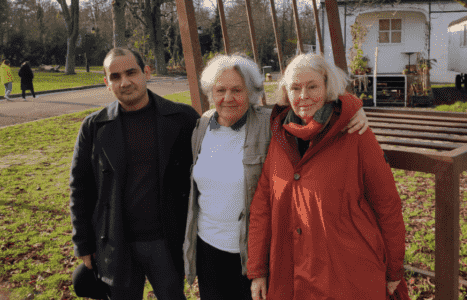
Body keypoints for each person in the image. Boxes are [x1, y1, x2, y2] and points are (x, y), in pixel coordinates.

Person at [182, 53, 370, 300]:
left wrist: (354, 109)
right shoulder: (203, 126)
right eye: (220, 90)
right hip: (208, 247)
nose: (227, 98)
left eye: (237, 90)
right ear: (211, 93)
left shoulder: (270, 123)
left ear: (251, 92)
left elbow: (309, 105)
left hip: (252, 251)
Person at [246, 53, 409, 300]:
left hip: (347, 276)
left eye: (312, 86)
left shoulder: (355, 133)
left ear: (327, 87)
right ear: (285, 93)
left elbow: (387, 204)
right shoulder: (280, 137)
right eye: (295, 88)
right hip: (290, 275)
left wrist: (394, 268)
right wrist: (257, 269)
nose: (303, 96)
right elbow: (262, 206)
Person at [69, 48, 199, 300]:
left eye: (131, 72)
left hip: (167, 241)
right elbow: (80, 188)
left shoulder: (182, 118)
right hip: (116, 242)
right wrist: (82, 244)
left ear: (146, 72)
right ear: (107, 83)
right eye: (115, 76)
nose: (125, 82)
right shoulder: (94, 127)